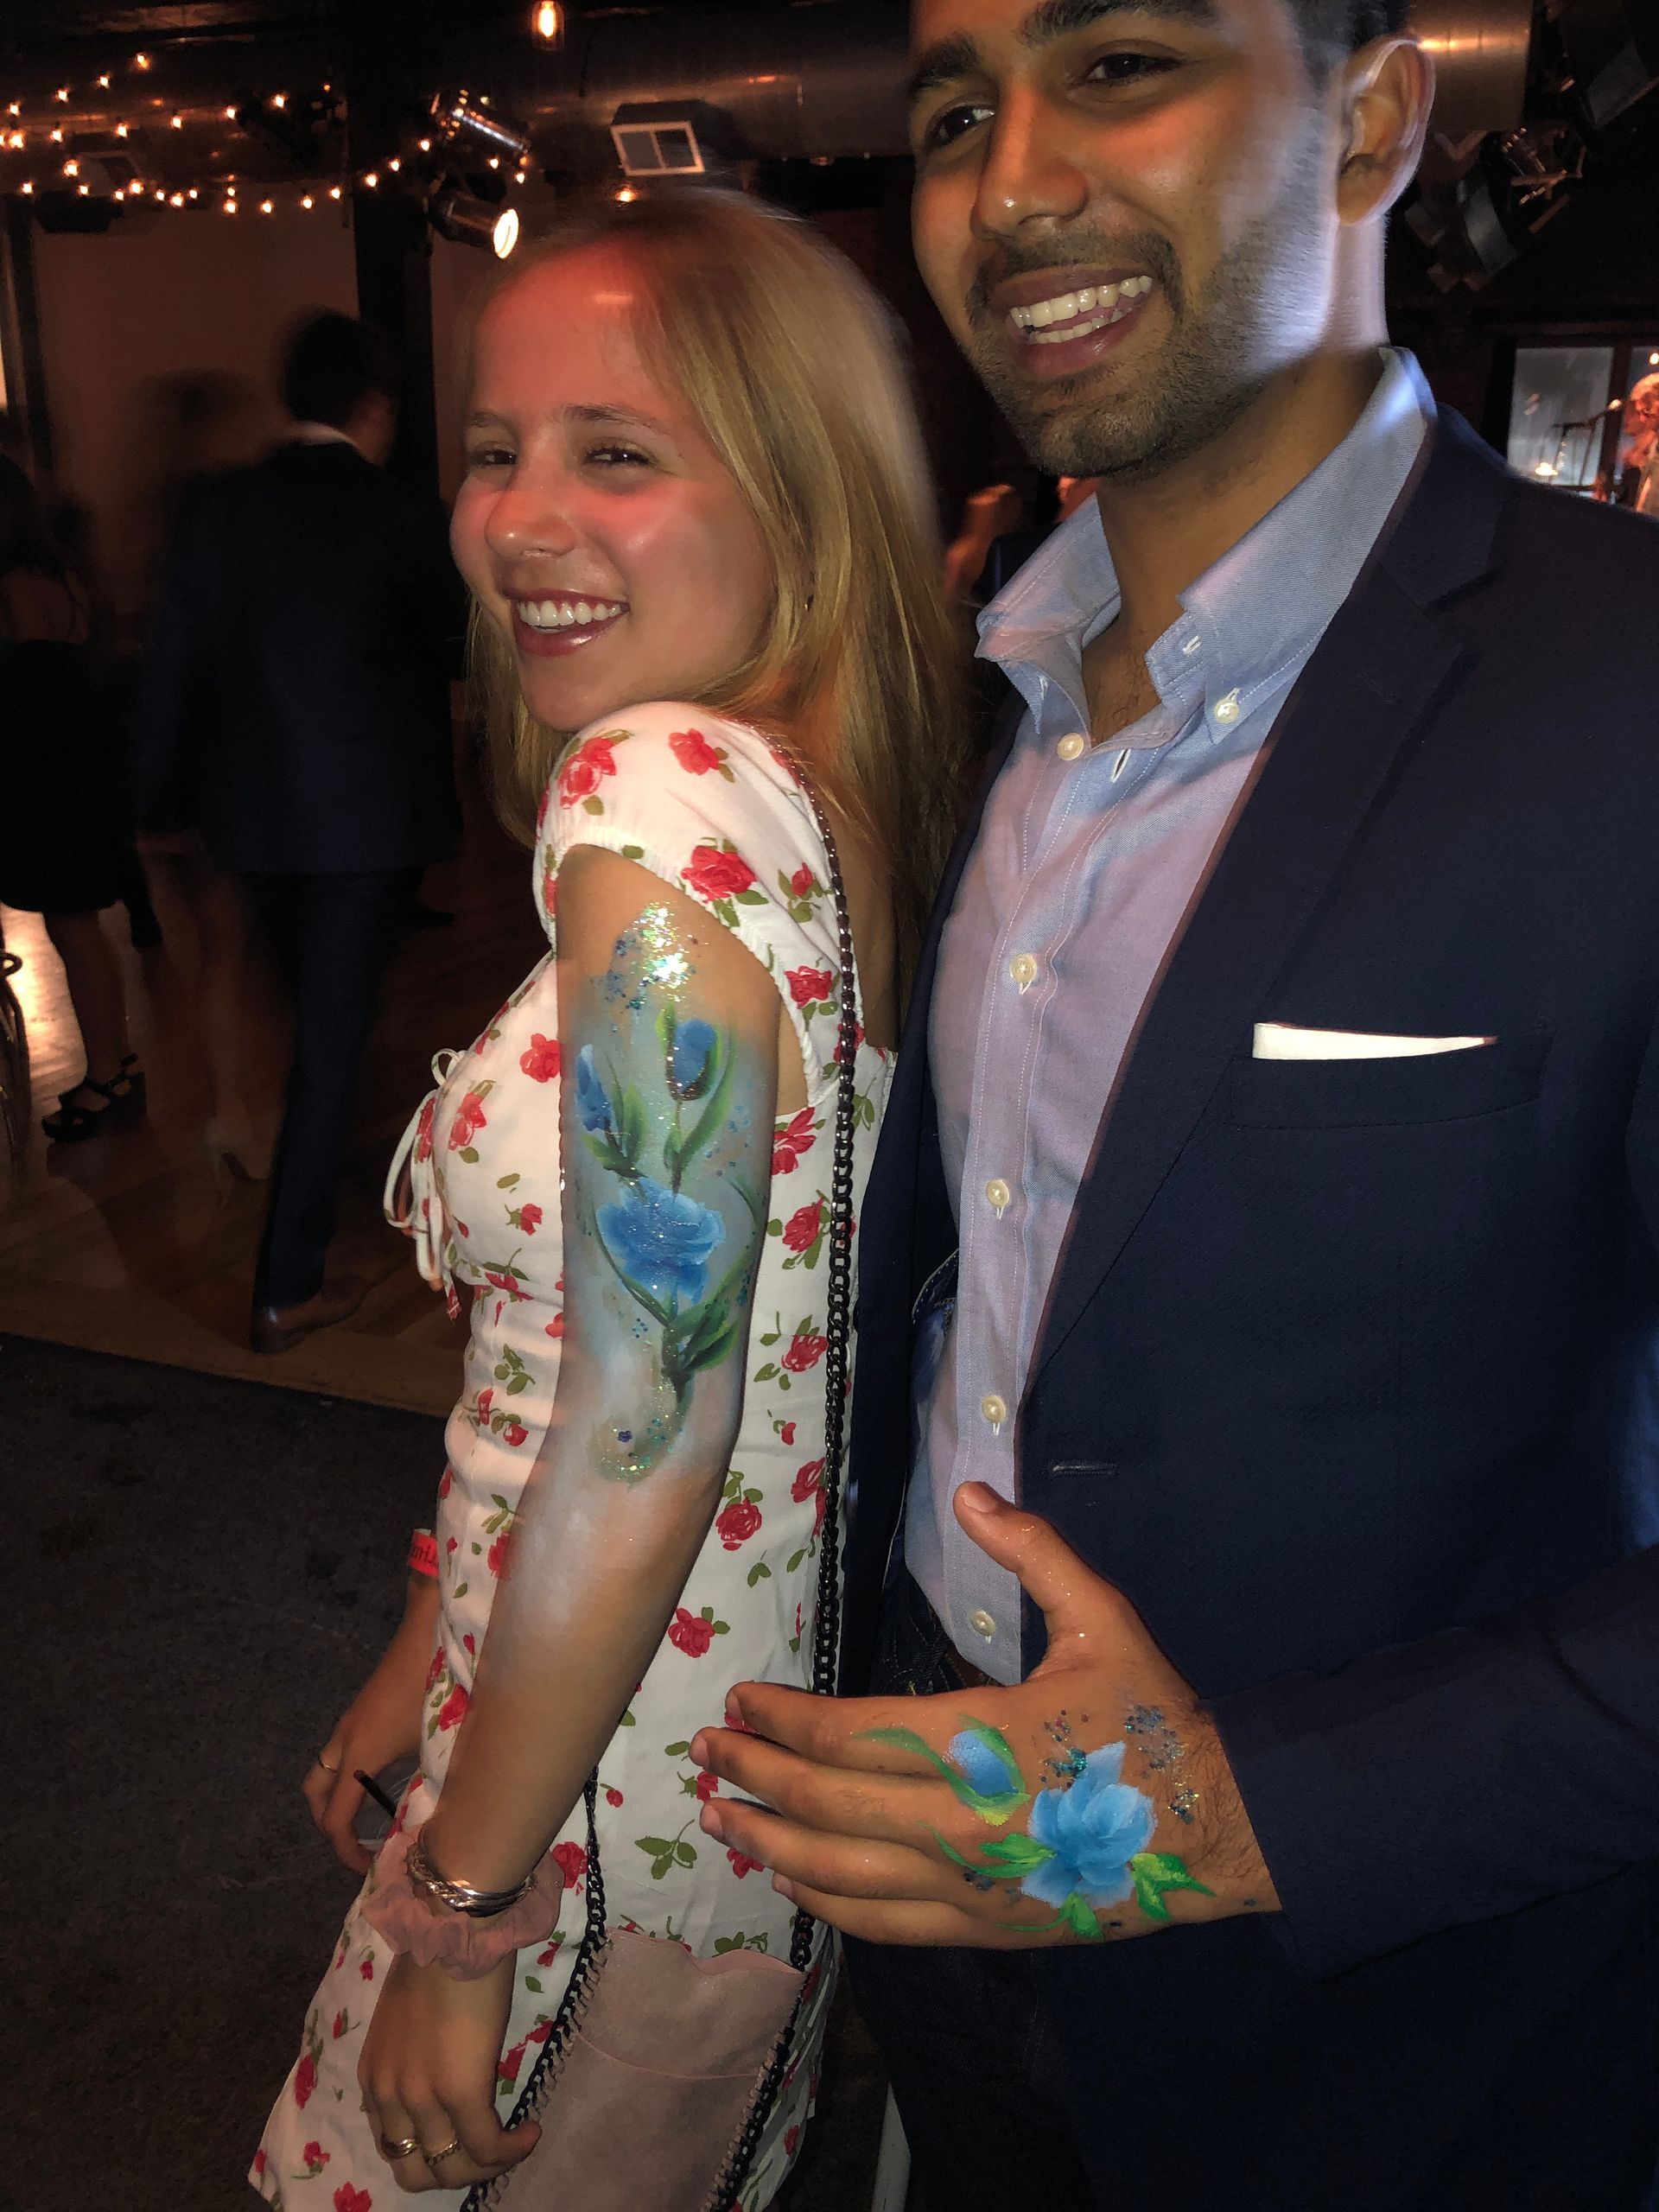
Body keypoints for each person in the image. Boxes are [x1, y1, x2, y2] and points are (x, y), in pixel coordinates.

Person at [683, 3, 1659, 2209]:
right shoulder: (970, 692)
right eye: (954, 112)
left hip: (1396, 2005)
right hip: (931, 1857)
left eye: (1120, 66)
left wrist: (1242, 1810)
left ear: (1371, 121)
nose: (1011, 181)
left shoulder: (1622, 690)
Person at [253, 190, 962, 2209]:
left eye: (619, 451)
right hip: (658, 1751)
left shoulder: (655, 794)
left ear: (801, 488)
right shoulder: (811, 795)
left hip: (581, 1810)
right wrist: (432, 1635)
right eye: (495, 448)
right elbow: (592, 1347)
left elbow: (648, 1426)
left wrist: (461, 1914)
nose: (520, 519)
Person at [132, 313, 466, 1350]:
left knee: (311, 1023)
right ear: (374, 404)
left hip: (252, 813)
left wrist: (153, 800)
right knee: (330, 1040)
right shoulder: (400, 512)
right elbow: (453, 643)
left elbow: (174, 658)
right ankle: (287, 1283)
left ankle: (313, 1197)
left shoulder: (220, 507)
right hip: (365, 818)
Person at [0, 454, 146, 1141]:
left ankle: (106, 1073)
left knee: (73, 929)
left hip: (44, 778)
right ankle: (116, 1059)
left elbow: (25, 697)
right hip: (83, 770)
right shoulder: (66, 575)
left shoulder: (11, 587)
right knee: (79, 927)